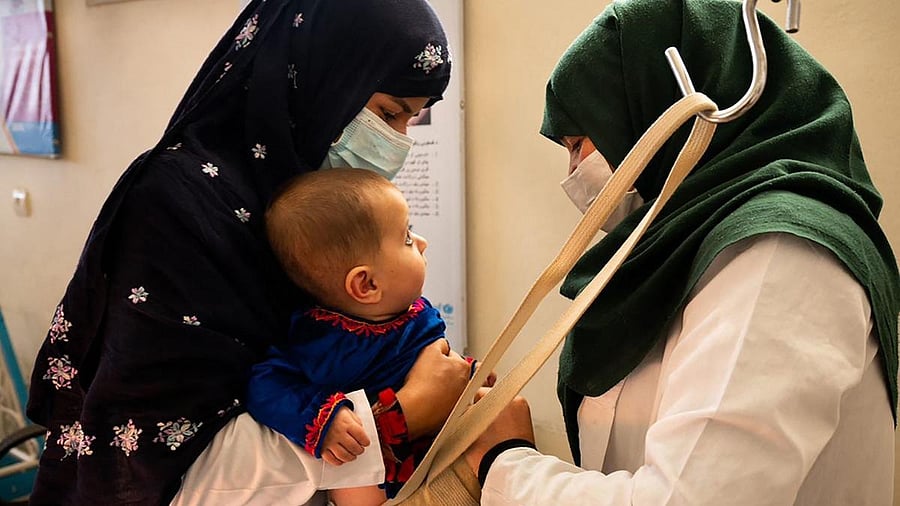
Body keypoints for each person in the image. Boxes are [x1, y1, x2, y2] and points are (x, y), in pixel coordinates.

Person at [25, 1, 473, 504]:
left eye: (411, 120)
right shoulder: (178, 205)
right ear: (316, 73)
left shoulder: (310, 206)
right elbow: (159, 465)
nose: (397, 143)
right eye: (389, 113)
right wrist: (401, 414)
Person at [463, 0, 900, 505]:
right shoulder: (681, 250)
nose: (573, 172)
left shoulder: (782, 251)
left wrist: (504, 461)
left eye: (580, 142)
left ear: (666, 107)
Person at [247, 168, 478, 505]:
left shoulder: (414, 310)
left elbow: (436, 363)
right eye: (408, 237)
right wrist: (322, 419)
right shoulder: (318, 341)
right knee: (357, 485)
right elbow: (265, 383)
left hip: (437, 449)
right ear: (367, 285)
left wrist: (466, 375)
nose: (423, 242)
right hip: (378, 466)